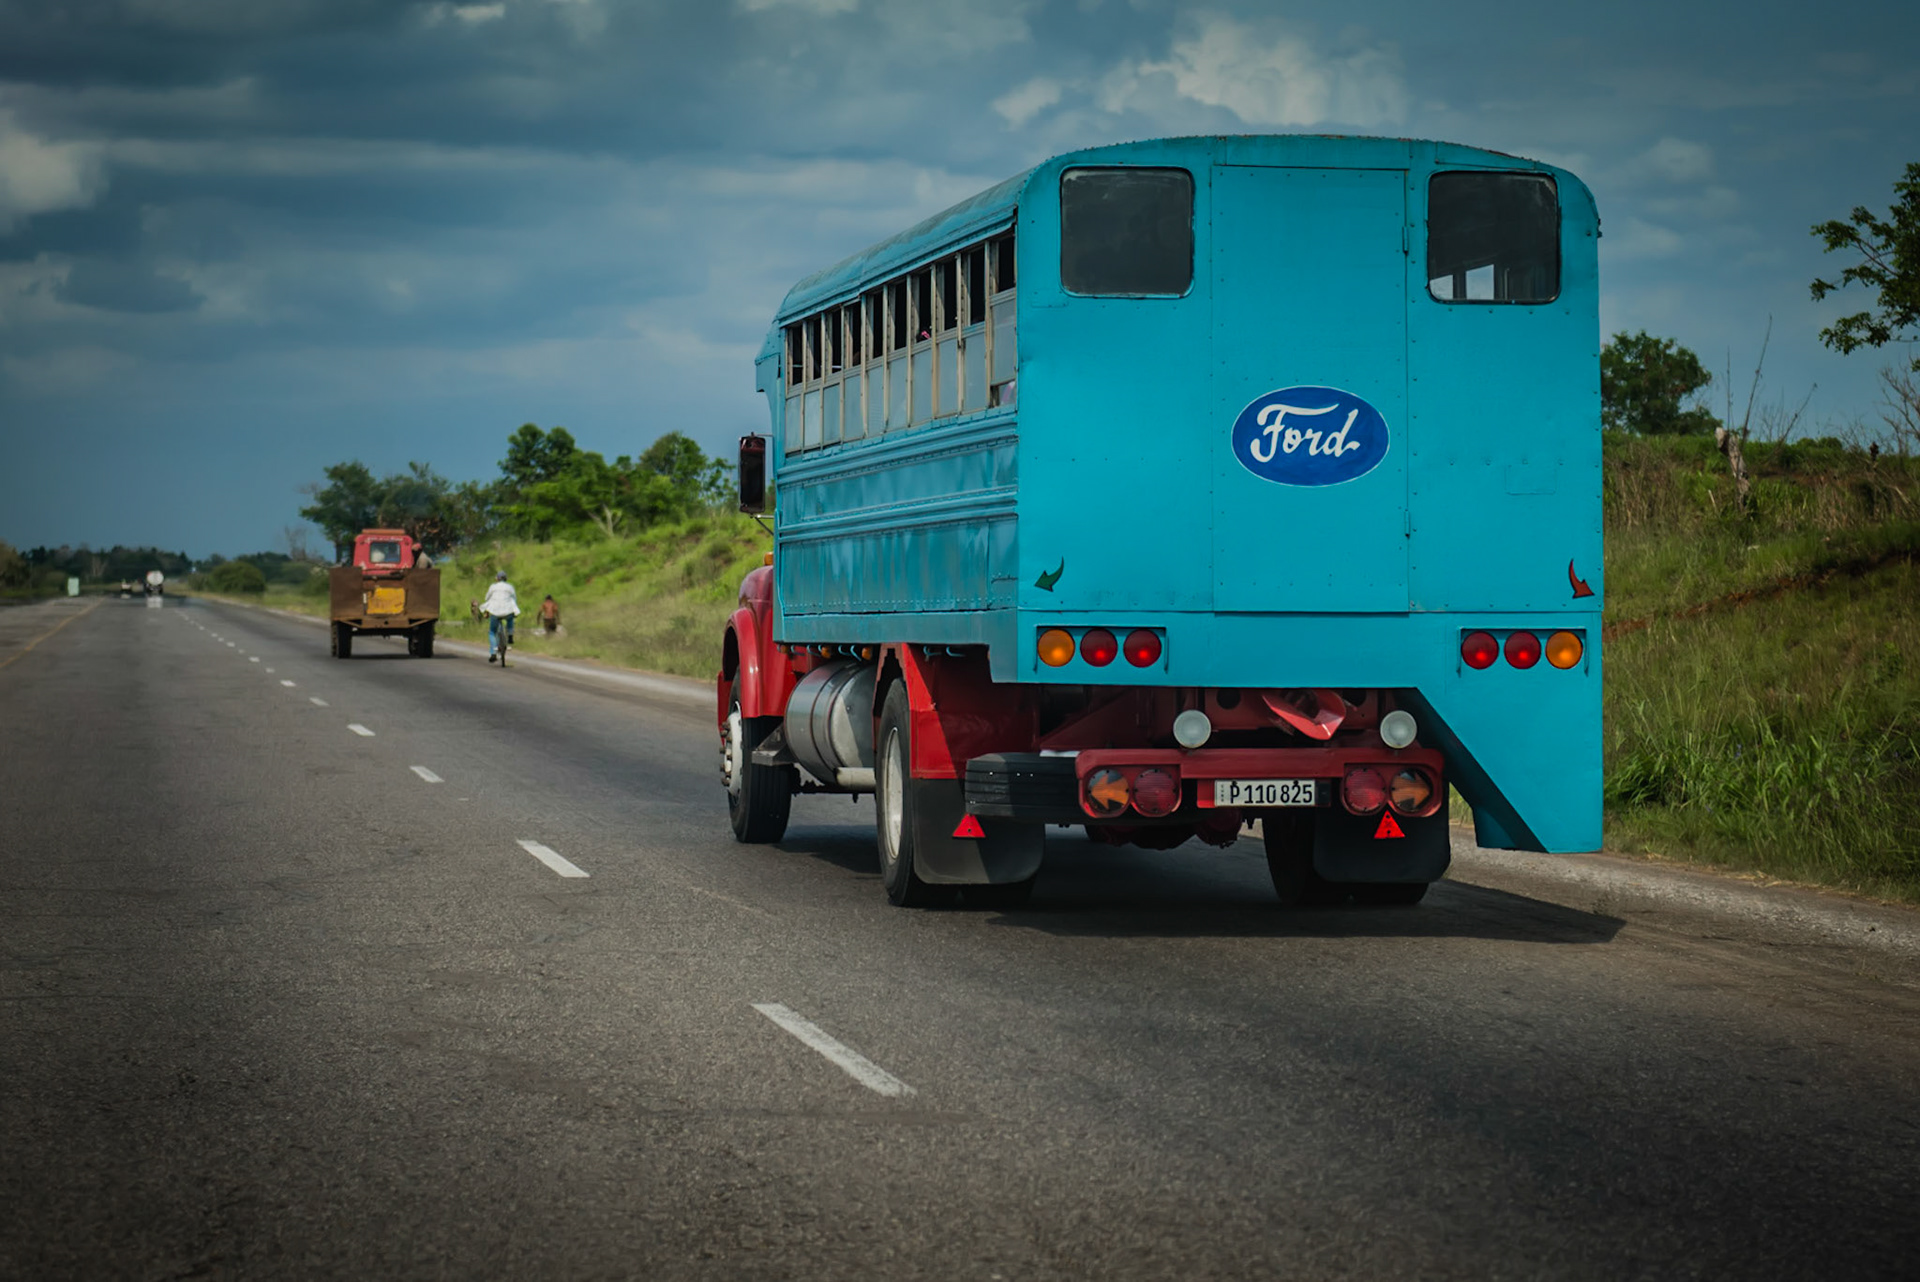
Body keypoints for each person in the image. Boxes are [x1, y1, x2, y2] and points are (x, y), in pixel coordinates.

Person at [481, 570, 520, 663]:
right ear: (505, 579)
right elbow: (514, 598)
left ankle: (493, 652)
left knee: (492, 632)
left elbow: (487, 598)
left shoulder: (493, 587)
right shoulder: (510, 587)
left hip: (495, 612)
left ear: (497, 579)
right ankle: (510, 635)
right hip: (507, 611)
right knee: (510, 619)